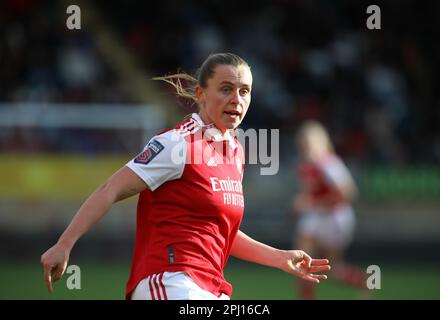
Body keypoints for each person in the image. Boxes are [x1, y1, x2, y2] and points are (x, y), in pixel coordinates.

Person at [41, 53, 330, 300]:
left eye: (244, 91)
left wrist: (279, 258)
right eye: (226, 88)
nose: (236, 99)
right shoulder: (177, 144)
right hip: (169, 281)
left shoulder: (235, 153)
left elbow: (221, 233)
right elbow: (110, 189)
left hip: (210, 288)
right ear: (201, 94)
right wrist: (64, 244)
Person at [291, 120, 368, 299]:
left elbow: (348, 193)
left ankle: (363, 281)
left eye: (309, 142)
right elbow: (308, 195)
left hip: (334, 218)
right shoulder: (305, 165)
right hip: (315, 218)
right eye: (303, 142)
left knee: (332, 269)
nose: (306, 146)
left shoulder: (329, 163)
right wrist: (301, 203)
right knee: (301, 266)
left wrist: (312, 204)